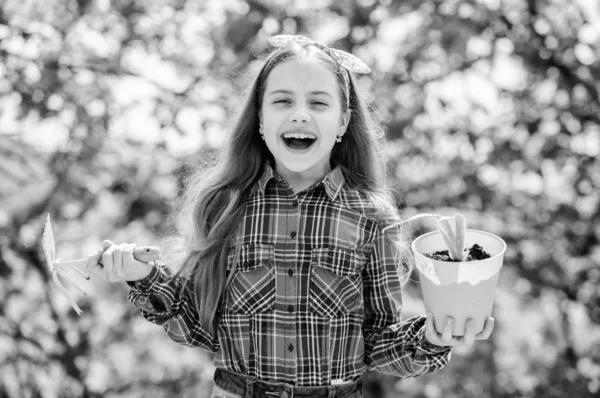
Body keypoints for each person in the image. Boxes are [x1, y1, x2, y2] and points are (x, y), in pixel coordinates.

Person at [86, 35, 494, 398]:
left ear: (343, 122)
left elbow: (376, 343)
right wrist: (143, 277)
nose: (300, 114)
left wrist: (433, 335)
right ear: (261, 120)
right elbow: (200, 327)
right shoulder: (227, 205)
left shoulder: (372, 217)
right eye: (282, 101)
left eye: (318, 102)